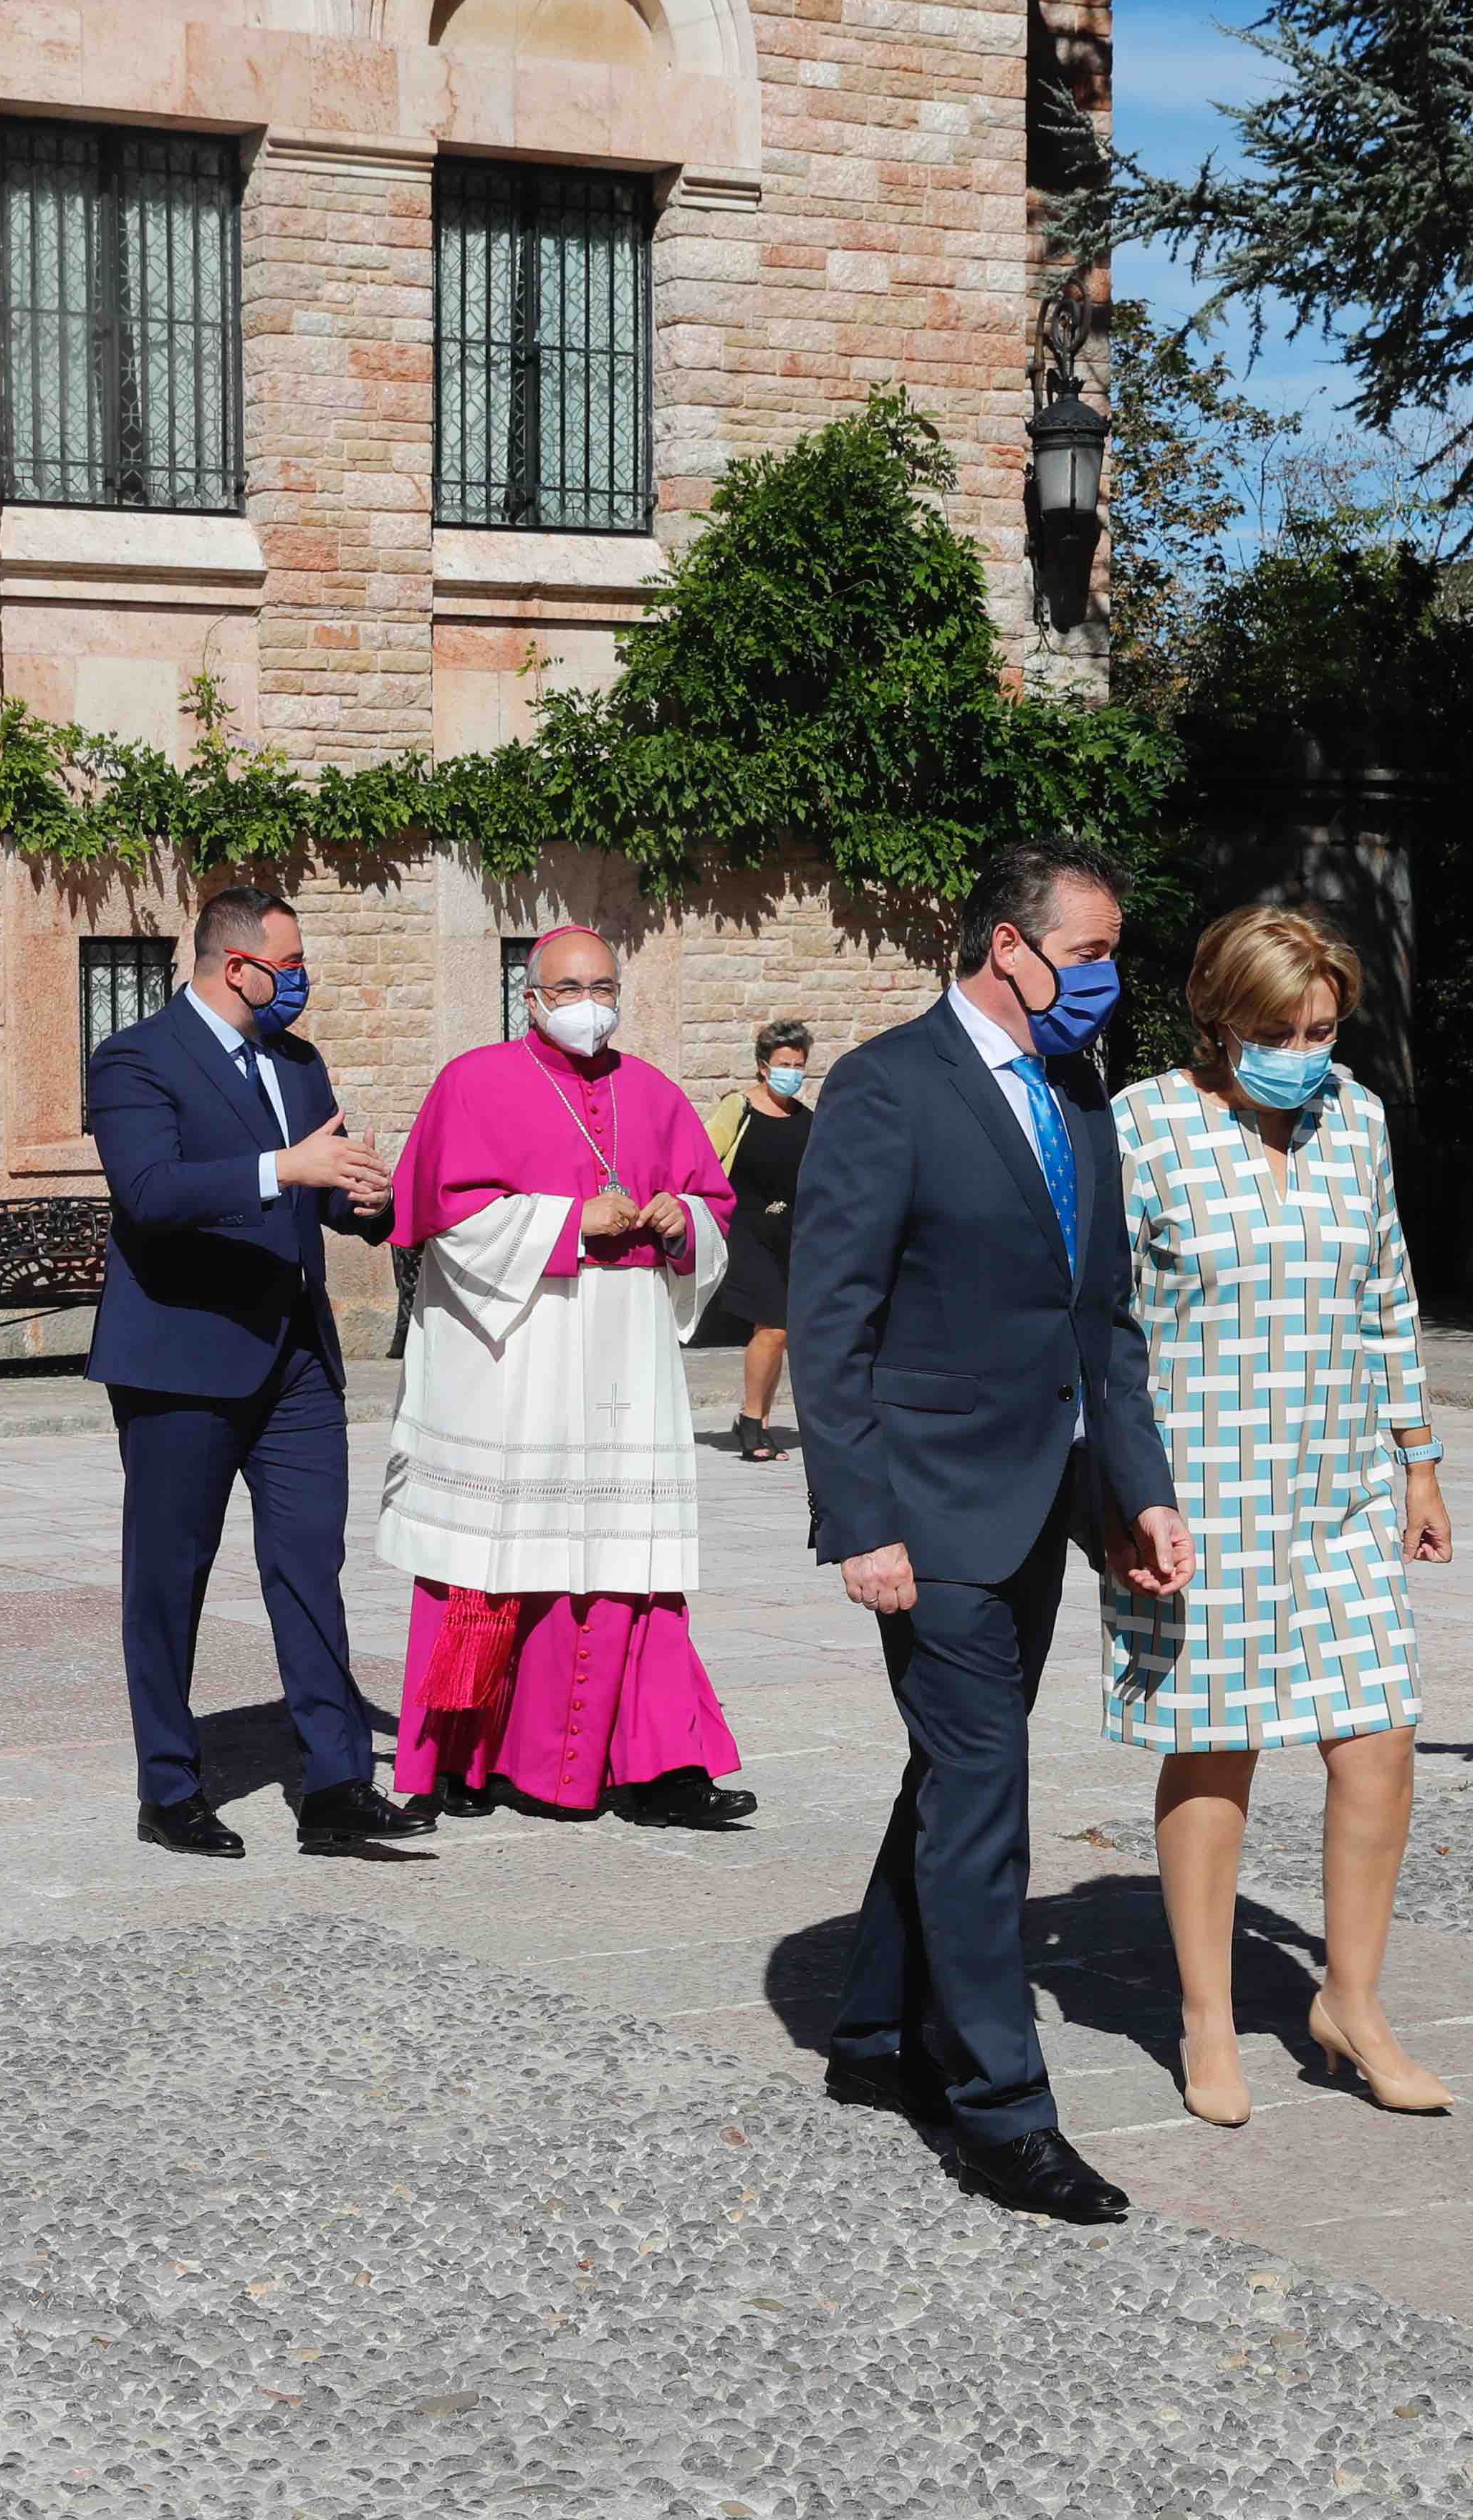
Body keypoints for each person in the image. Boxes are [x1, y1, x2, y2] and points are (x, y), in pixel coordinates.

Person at [793, 835, 1195, 2225]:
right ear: (1007, 948)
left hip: (1039, 1507)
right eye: (1088, 954)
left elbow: (1106, 1325)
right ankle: (1003, 2114)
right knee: (986, 1796)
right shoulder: (886, 1089)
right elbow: (831, 1323)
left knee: (955, 1778)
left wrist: (1135, 1488)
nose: (1107, 979)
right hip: (927, 1514)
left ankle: (871, 2033)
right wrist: (859, 1519)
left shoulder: (1079, 1092)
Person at [1106, 905, 1458, 2125]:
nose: (1306, 1049)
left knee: (1379, 1737)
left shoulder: (1353, 1119)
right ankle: (1207, 2018)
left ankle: (1349, 2000)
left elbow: (1386, 1291)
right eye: (1279, 1029)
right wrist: (1119, 1488)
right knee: (1214, 1742)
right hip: (1198, 1491)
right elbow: (1104, 1321)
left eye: (1320, 1026)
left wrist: (1418, 1460)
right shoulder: (1142, 1126)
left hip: (1342, 1481)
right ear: (1218, 1021)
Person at [376, 926, 753, 1829]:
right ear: (532, 998)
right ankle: (460, 1764)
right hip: (518, 1349)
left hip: (625, 1354)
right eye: (570, 986)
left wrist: (683, 1218)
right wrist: (571, 1219)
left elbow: (716, 1210)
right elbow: (442, 1216)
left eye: (605, 984)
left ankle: (663, 1769)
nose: (591, 1002)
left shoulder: (655, 1093)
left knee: (634, 1567)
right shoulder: (475, 1082)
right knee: (491, 1561)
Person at [87, 885, 428, 1862]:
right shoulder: (135, 1058)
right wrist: (288, 1169)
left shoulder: (298, 1062)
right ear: (237, 966)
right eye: (289, 964)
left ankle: (334, 1785)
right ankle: (171, 1789)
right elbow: (151, 1194)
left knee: (309, 1567)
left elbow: (328, 1189)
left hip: (297, 1362)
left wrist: (366, 1195)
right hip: (182, 1359)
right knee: (168, 1579)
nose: (300, 983)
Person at [699, 1021, 814, 1463]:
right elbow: (705, 1157)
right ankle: (751, 1420)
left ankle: (759, 1419)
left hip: (789, 1234)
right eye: (784, 1064)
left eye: (799, 1065)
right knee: (773, 1326)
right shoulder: (739, 1108)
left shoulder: (807, 1121)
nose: (792, 1072)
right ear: (764, 1066)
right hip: (744, 1229)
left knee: (779, 1334)